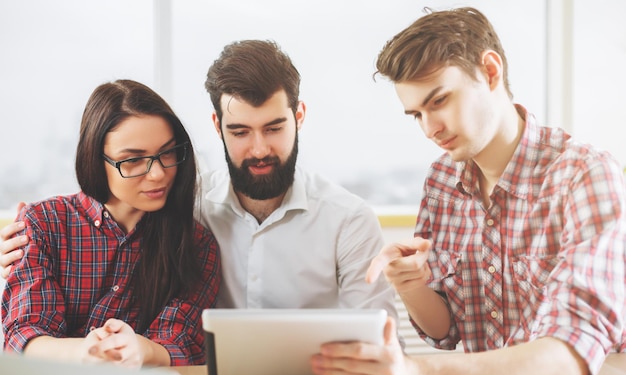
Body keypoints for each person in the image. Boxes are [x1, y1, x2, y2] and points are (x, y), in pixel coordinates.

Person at [310, 7, 626, 375]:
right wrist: (412, 286)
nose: (430, 128)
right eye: (417, 115)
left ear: (491, 71)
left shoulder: (584, 175)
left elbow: (571, 358)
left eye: (439, 100)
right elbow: (447, 330)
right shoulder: (442, 182)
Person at [1, 41, 398, 320]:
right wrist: (26, 246)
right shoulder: (178, 203)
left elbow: (380, 340)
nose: (259, 149)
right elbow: (101, 222)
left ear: (299, 117)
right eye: (240, 131)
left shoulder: (348, 219)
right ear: (217, 126)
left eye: (274, 128)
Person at [1, 79, 222, 368]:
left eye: (167, 153)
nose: (157, 174)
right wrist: (86, 352)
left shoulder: (195, 243)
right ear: (95, 160)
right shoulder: (43, 223)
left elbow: (182, 342)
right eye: (132, 160)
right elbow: (24, 333)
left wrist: (142, 350)